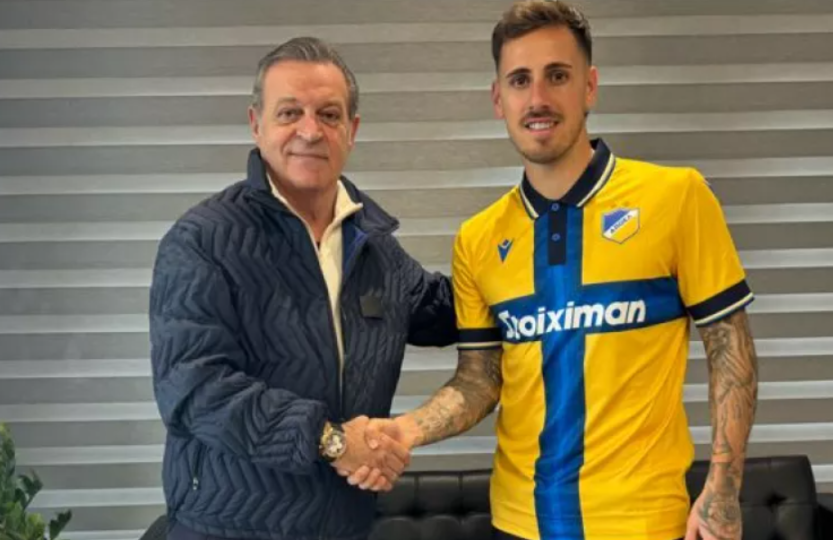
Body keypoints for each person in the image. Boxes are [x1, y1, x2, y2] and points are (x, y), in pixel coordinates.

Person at [358, 2, 759, 540]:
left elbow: (730, 350)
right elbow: (480, 379)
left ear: (589, 87)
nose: (538, 99)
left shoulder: (677, 197)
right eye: (520, 80)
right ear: (498, 99)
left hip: (643, 523)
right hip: (517, 522)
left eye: (558, 76)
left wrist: (723, 489)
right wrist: (403, 431)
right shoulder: (478, 238)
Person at [148, 36, 457, 540]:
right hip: (224, 529)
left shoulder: (374, 247)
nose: (310, 131)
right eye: (290, 112)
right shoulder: (201, 241)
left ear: (352, 130)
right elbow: (194, 388)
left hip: (343, 527)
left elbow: (449, 311)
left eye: (329, 115)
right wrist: (329, 440)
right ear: (256, 124)